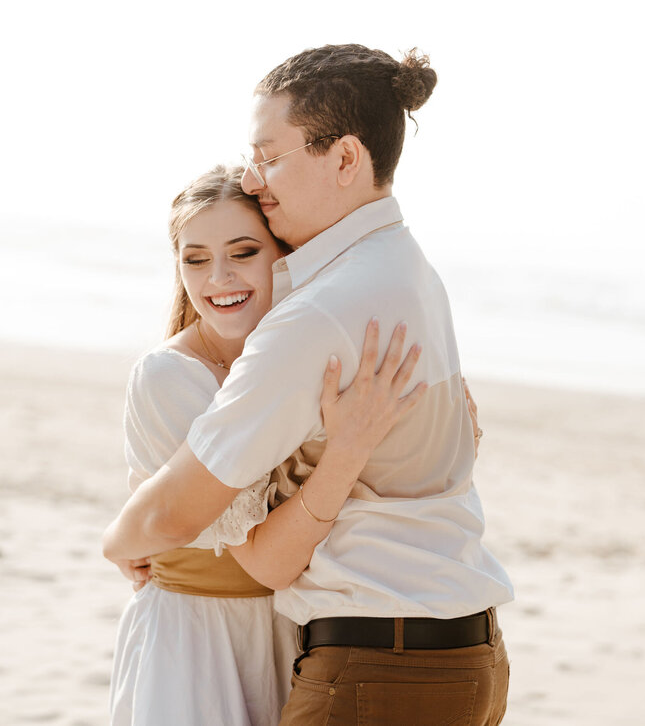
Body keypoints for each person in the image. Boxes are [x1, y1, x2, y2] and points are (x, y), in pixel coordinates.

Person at [104, 44, 514, 725]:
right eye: (196, 259)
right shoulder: (409, 270)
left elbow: (180, 518)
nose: (254, 175)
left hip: (380, 666)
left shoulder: (316, 316)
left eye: (270, 154)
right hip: (465, 654)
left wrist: (117, 542)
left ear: (346, 159)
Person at [105, 165, 426, 725]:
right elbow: (257, 558)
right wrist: (120, 537)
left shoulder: (302, 355)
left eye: (244, 252)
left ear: (283, 256)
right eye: (196, 259)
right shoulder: (168, 376)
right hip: (196, 636)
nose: (218, 278)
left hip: (292, 630)